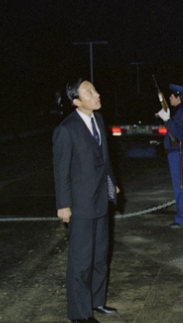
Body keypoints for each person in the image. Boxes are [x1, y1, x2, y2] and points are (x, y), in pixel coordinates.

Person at [53, 79, 119, 323]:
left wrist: (112, 183)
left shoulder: (98, 120)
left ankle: (97, 302)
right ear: (76, 101)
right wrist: (63, 204)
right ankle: (80, 314)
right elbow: (61, 171)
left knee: (100, 256)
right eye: (89, 91)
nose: (97, 93)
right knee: (81, 261)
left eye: (95, 89)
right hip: (80, 204)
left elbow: (105, 159)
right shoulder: (66, 130)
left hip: (101, 198)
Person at [156, 84, 183, 228]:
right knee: (181, 186)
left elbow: (179, 133)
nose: (170, 98)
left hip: (179, 153)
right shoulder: (181, 111)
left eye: (172, 96)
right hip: (178, 153)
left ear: (178, 97)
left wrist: (167, 120)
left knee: (181, 187)